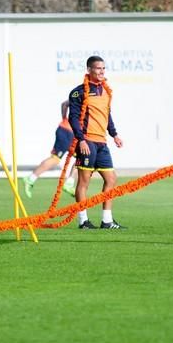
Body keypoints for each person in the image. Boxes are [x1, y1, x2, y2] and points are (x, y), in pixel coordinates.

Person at [68, 55, 124, 229]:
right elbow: (74, 118)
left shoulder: (106, 91)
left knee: (111, 178)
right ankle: (83, 221)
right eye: (98, 68)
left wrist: (114, 134)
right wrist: (81, 140)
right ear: (89, 70)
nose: (102, 71)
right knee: (84, 182)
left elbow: (107, 115)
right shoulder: (79, 92)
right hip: (87, 142)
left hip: (102, 143)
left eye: (103, 68)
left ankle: (107, 220)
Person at [23, 100, 77, 199]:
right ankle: (30, 178)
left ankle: (69, 183)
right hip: (67, 132)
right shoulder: (83, 94)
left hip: (73, 133)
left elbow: (64, 104)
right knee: (55, 159)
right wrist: (65, 121)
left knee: (83, 157)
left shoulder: (84, 94)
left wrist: (64, 119)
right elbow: (65, 104)